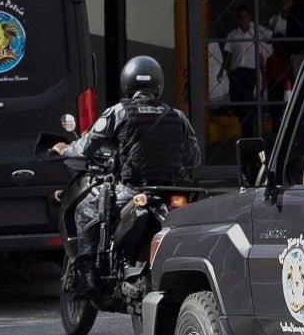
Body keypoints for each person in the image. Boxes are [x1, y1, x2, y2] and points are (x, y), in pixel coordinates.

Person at [58, 56, 203, 288]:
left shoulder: (119, 112)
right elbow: (194, 158)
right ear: (158, 83)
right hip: (168, 191)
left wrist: (66, 149)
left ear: (127, 82)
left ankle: (89, 277)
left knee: (84, 211)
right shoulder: (177, 116)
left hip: (130, 190)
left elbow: (87, 146)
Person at [222, 5, 272, 131]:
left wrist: (264, 76)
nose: (243, 19)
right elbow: (229, 55)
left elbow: (260, 56)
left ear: (250, 17)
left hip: (250, 72)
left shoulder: (256, 35)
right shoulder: (232, 35)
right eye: (241, 16)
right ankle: (245, 122)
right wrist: (222, 70)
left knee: (247, 100)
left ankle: (247, 129)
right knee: (236, 101)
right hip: (236, 72)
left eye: (246, 16)